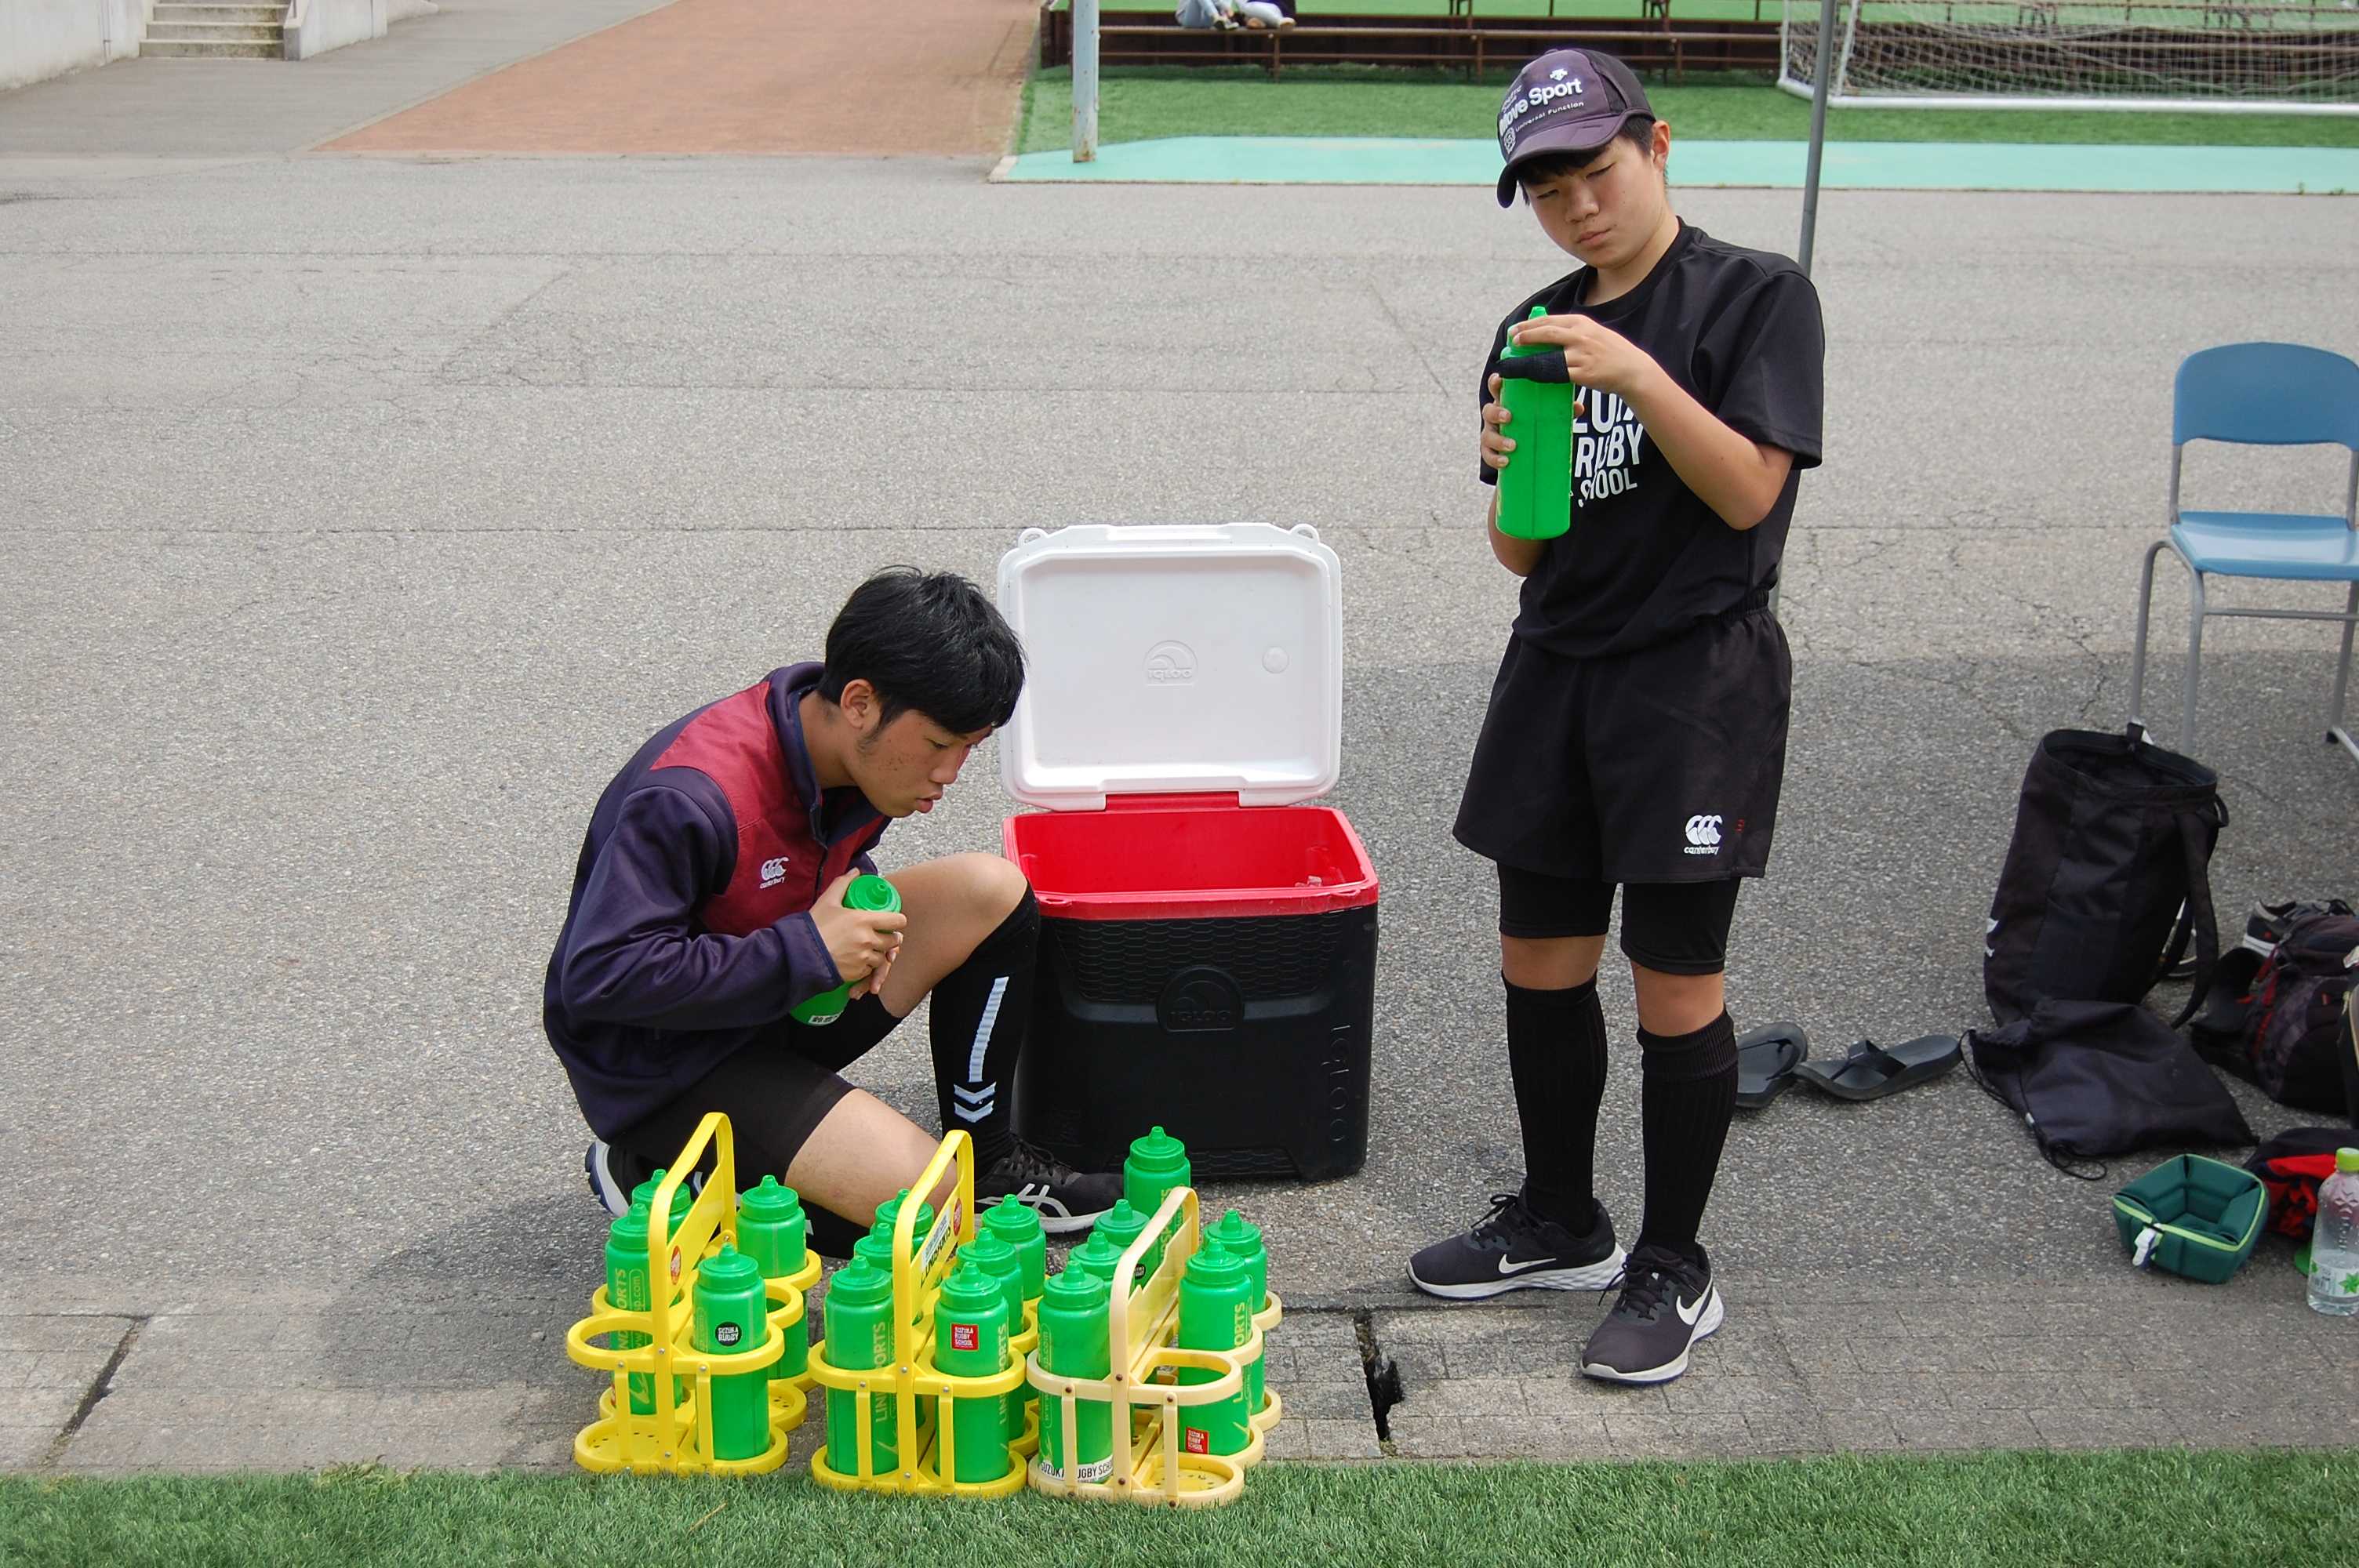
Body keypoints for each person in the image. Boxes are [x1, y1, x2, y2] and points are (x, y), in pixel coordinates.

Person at [1405, 47, 1824, 1385]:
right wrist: (1504, 467)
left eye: (1594, 172)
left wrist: (1633, 376)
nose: (1576, 207)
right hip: (1556, 668)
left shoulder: (1754, 296)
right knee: (1540, 959)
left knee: (1674, 978)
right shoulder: (1534, 325)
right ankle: (1558, 1218)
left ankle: (1673, 1262)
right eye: (1545, 190)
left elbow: (1749, 492)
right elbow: (1518, 551)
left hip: (1692, 680)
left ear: (1656, 146)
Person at [546, 568, 1121, 1254]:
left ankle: (989, 1159)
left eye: (971, 748)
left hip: (770, 1002)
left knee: (989, 892)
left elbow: (805, 863)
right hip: (669, 1065)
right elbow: (600, 978)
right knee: (934, 1213)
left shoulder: (850, 753)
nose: (951, 773)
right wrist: (811, 951)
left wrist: (852, 915)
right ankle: (660, 1170)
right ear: (859, 702)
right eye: (940, 745)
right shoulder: (692, 798)